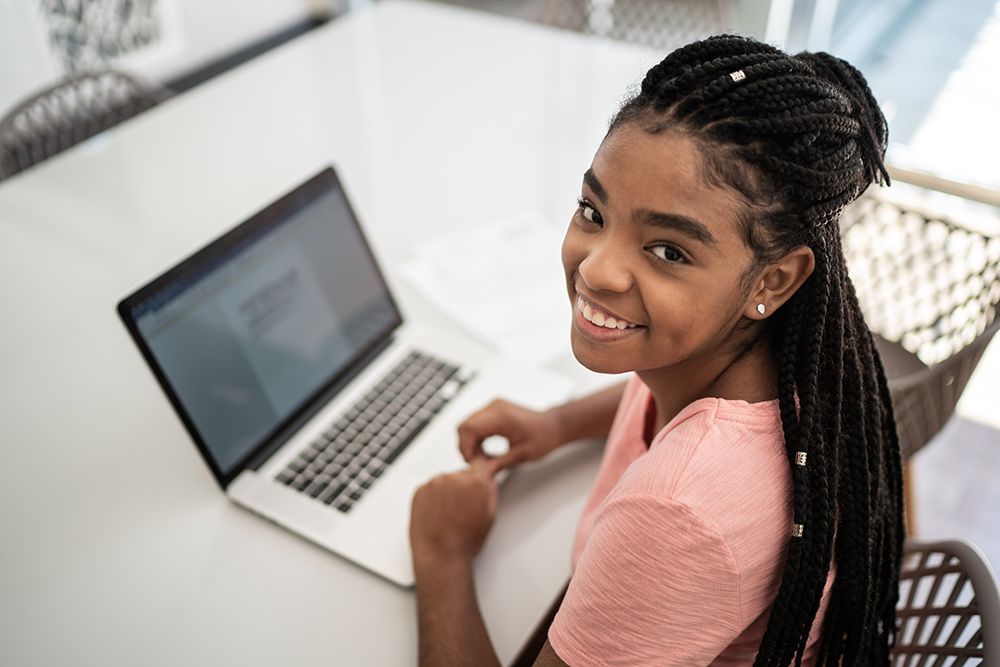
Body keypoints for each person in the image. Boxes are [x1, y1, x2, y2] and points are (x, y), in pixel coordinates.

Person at [409, 34, 904, 667]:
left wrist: (442, 556)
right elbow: (659, 391)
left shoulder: (676, 513)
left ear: (771, 280)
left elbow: (686, 497)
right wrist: (557, 424)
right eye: (593, 211)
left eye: (668, 251)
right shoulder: (753, 348)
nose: (598, 270)